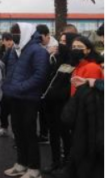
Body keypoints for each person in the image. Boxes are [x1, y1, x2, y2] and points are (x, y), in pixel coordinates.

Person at [2, 23, 49, 178]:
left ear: (25, 32)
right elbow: (9, 71)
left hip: (29, 98)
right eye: (12, 32)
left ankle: (34, 169)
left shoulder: (38, 51)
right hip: (14, 97)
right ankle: (21, 163)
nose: (14, 35)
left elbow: (40, 76)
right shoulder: (14, 50)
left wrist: (20, 87)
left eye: (17, 32)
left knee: (29, 133)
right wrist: (7, 87)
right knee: (17, 131)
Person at [41, 32, 78, 174]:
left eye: (64, 41)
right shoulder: (55, 58)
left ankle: (66, 163)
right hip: (50, 103)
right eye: (60, 41)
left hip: (63, 104)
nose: (60, 44)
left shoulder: (73, 62)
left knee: (65, 134)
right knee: (53, 134)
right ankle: (55, 162)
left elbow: (66, 84)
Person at [35, 24, 54, 144]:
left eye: (40, 36)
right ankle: (43, 135)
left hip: (50, 87)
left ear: (47, 36)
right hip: (40, 87)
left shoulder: (54, 46)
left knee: (47, 113)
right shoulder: (40, 47)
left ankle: (47, 135)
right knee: (42, 112)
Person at [0, 32, 14, 137]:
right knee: (2, 109)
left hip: (12, 83)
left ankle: (16, 130)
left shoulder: (17, 51)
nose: (9, 42)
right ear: (2, 41)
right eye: (7, 40)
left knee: (14, 109)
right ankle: (4, 127)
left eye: (11, 40)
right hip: (1, 84)